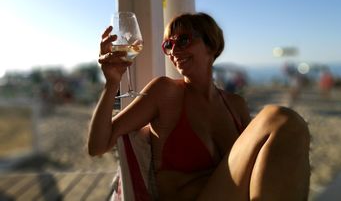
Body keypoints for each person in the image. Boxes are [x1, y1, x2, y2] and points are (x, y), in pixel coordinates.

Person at [88, 12, 310, 200]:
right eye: (168, 45)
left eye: (183, 40)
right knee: (279, 117)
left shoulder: (235, 105)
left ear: (211, 45)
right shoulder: (165, 92)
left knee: (288, 125)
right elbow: (98, 145)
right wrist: (112, 84)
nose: (174, 51)